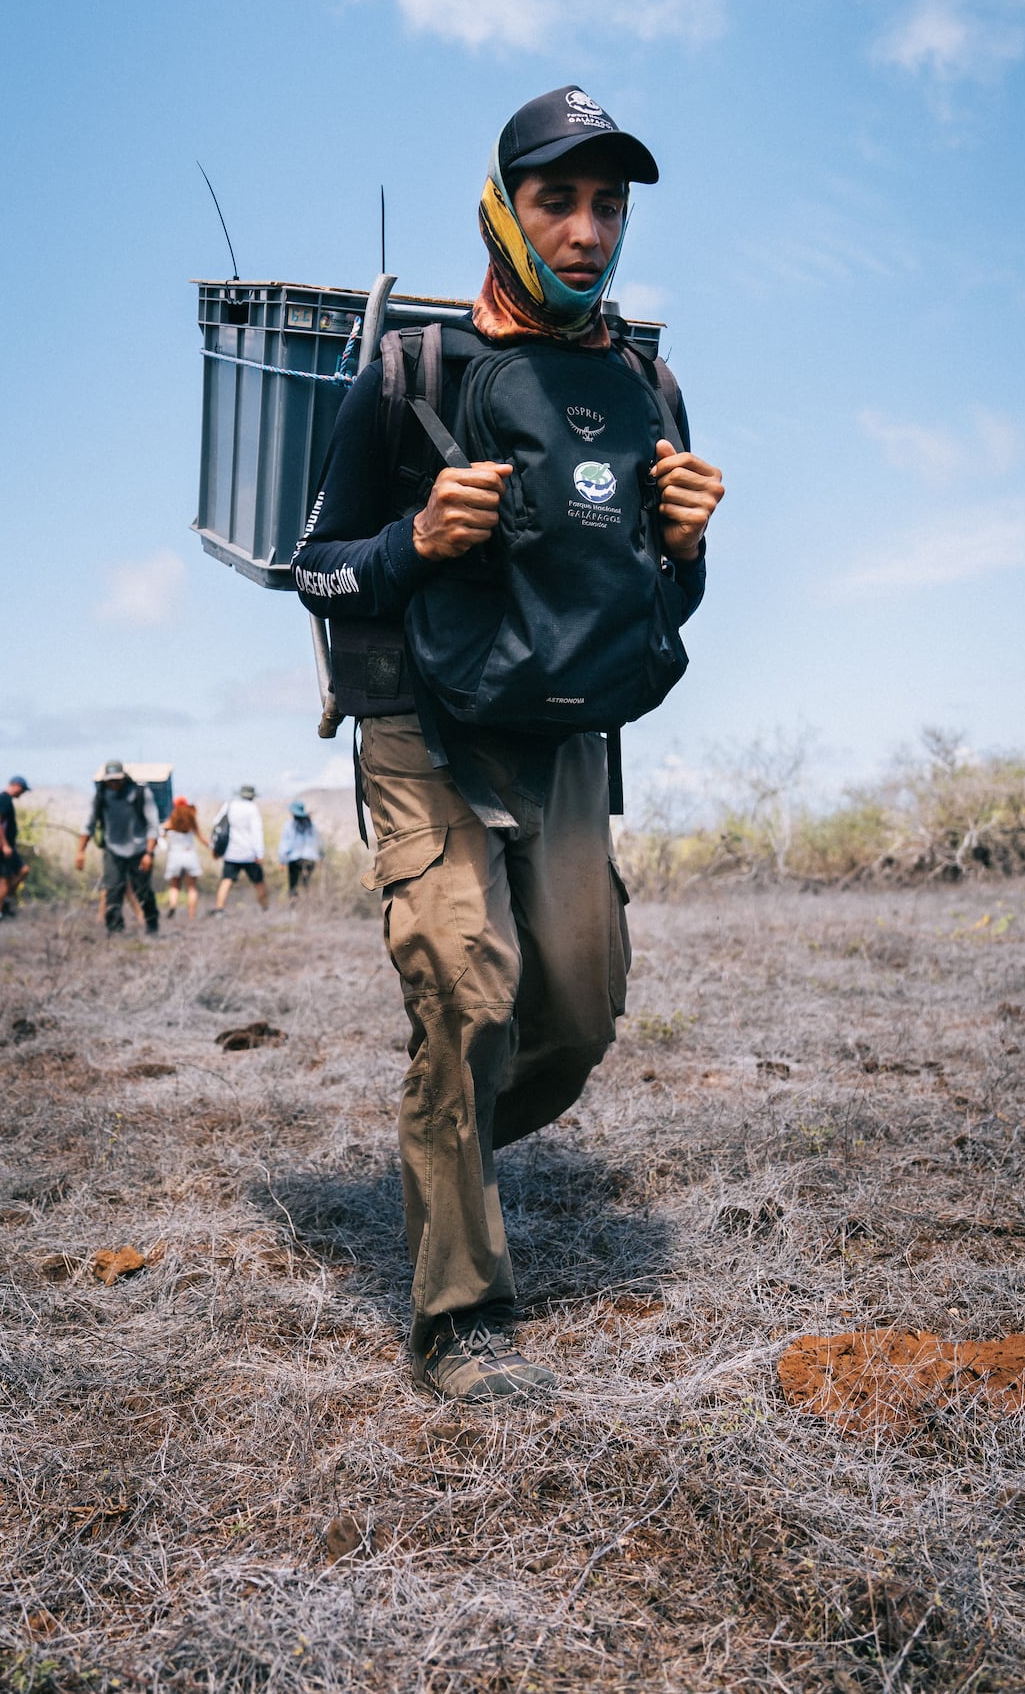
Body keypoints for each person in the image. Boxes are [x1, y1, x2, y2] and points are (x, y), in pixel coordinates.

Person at [293, 86, 724, 1401]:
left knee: (577, 1013)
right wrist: (413, 544)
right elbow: (310, 571)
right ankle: (462, 1316)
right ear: (503, 205)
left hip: (566, 730)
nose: (588, 230)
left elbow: (656, 596)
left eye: (610, 204)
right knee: (469, 991)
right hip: (423, 721)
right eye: (559, 199)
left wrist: (691, 548)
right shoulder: (408, 375)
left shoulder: (644, 383)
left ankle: (447, 1135)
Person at [75, 760, 160, 936]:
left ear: (124, 778)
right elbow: (89, 825)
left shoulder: (141, 793)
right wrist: (80, 852)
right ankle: (114, 929)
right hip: (113, 850)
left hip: (139, 850)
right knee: (113, 889)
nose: (114, 784)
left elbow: (153, 825)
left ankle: (152, 926)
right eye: (110, 780)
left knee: (143, 891)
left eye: (117, 780)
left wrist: (149, 854)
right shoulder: (101, 796)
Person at [212, 785, 268, 913]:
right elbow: (257, 832)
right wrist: (260, 853)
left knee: (226, 880)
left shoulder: (229, 805)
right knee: (258, 882)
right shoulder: (252, 809)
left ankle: (219, 909)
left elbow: (217, 825)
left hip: (231, 852)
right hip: (249, 853)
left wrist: (215, 848)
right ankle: (264, 908)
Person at [0, 776, 30, 924]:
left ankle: (4, 900)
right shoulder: (3, 799)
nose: (22, 793)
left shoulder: (6, 800)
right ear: (16, 786)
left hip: (8, 847)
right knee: (4, 881)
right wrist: (4, 844)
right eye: (23, 790)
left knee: (23, 870)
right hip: (2, 847)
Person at [162, 794, 209, 921]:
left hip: (175, 855)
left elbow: (161, 833)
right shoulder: (191, 819)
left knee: (174, 886)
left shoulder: (171, 820)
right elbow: (201, 837)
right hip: (189, 854)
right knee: (192, 887)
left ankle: (173, 906)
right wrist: (212, 848)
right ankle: (192, 914)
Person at [277, 800, 322, 902]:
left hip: (295, 860)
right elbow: (319, 842)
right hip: (310, 859)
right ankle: (308, 907)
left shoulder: (289, 825)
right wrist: (321, 855)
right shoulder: (311, 825)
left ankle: (295, 911)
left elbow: (285, 845)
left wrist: (282, 860)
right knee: (307, 884)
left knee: (293, 886)